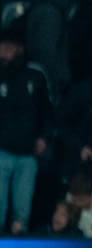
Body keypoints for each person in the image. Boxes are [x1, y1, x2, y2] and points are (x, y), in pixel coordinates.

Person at [0, 29, 51, 236]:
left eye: (8, 47)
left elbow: (47, 111)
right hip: (1, 151)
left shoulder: (35, 75)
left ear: (19, 49)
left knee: (22, 207)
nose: (4, 52)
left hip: (28, 153)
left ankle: (19, 237)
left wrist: (43, 137)